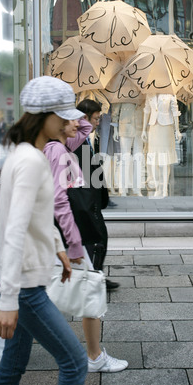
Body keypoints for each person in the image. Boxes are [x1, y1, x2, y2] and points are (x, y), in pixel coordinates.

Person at [0, 76, 88, 385]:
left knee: (14, 364)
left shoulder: (22, 153)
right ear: (43, 117)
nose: (68, 124)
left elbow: (36, 215)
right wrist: (8, 300)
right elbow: (14, 230)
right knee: (75, 362)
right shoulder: (32, 161)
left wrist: (58, 246)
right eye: (62, 117)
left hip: (20, 279)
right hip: (24, 286)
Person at [43, 101, 128, 374]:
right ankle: (94, 357)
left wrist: (75, 120)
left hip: (59, 235)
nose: (78, 125)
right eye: (70, 120)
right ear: (56, 123)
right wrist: (76, 242)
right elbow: (60, 201)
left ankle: (9, 334)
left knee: (40, 293)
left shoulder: (55, 146)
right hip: (70, 235)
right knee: (91, 291)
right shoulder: (60, 152)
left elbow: (87, 127)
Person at [74, 99, 119, 289]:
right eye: (96, 119)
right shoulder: (75, 139)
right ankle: (94, 278)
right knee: (98, 238)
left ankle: (94, 275)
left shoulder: (82, 138)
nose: (98, 123)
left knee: (95, 239)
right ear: (85, 118)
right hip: (85, 200)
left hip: (90, 199)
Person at [141, 93, 182, 198]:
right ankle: (157, 187)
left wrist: (177, 130)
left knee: (165, 160)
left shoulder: (170, 93)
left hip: (166, 127)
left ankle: (164, 188)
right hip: (153, 128)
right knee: (153, 159)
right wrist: (144, 129)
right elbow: (146, 111)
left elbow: (175, 112)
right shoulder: (150, 93)